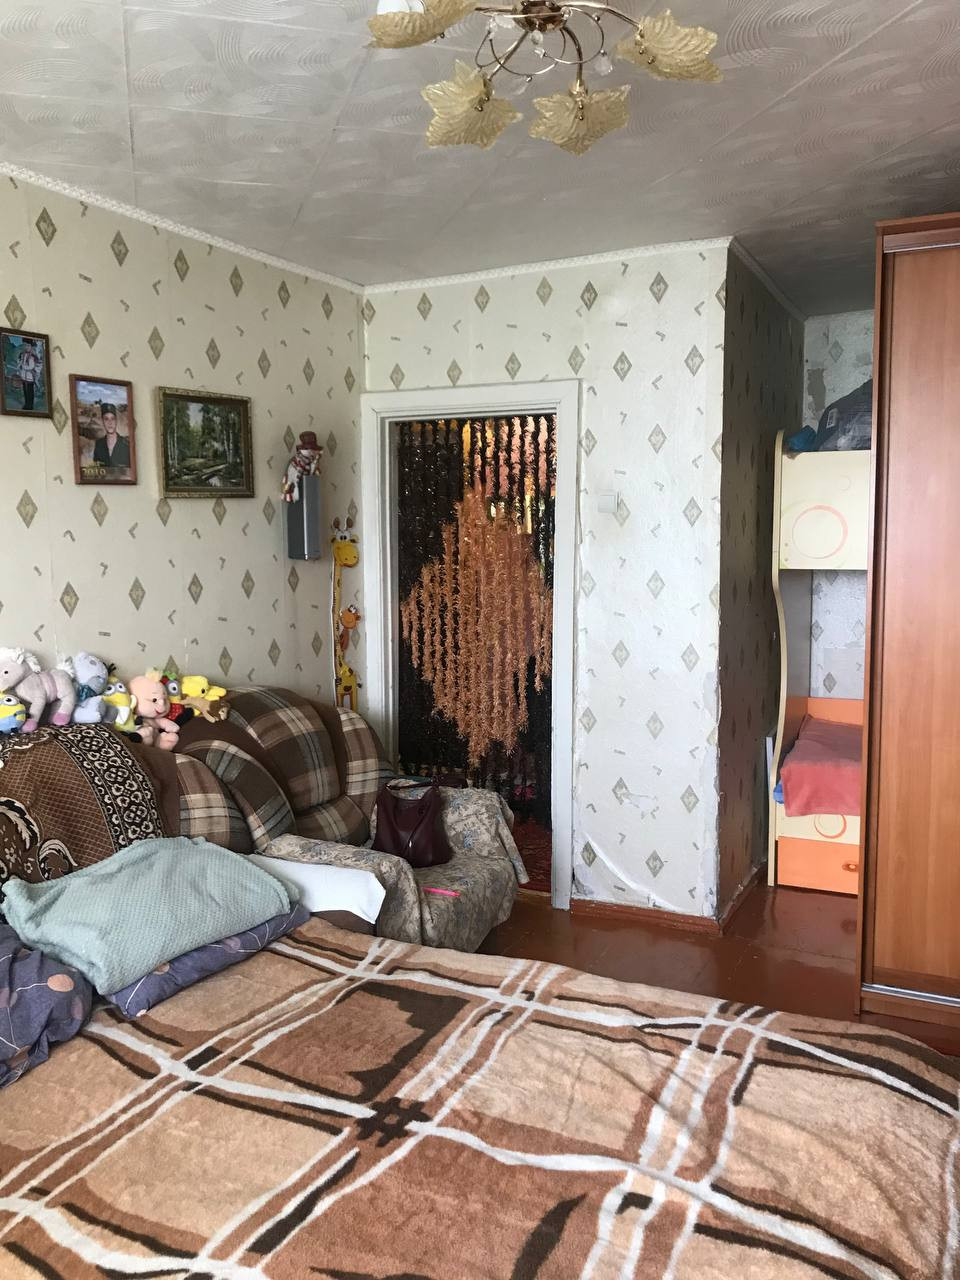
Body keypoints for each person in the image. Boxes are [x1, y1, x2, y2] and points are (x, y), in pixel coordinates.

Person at [92, 403, 131, 470]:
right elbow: (97, 469)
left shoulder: (126, 445)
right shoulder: (98, 444)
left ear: (116, 421)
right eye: (106, 419)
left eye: (112, 419)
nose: (110, 423)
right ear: (102, 421)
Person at [16, 340, 40, 412]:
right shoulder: (22, 354)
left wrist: (23, 366)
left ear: (31, 347)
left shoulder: (32, 356)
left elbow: (31, 366)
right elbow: (20, 362)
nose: (27, 347)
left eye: (28, 345)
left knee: (30, 391)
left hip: (30, 376)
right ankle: (26, 404)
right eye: (26, 345)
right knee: (25, 390)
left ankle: (30, 405)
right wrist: (19, 363)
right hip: (23, 375)